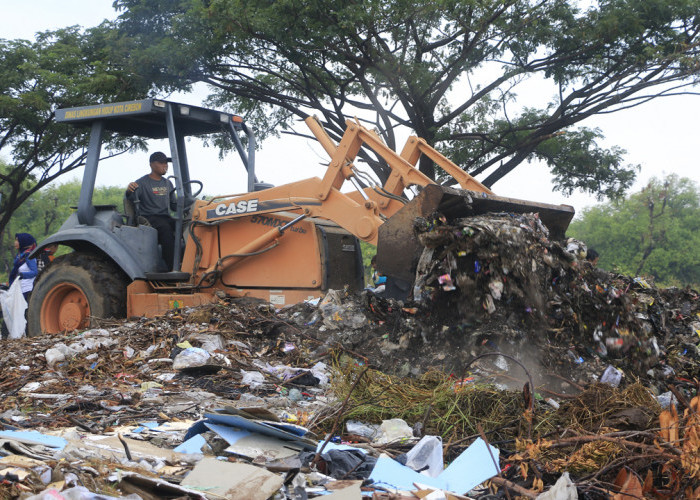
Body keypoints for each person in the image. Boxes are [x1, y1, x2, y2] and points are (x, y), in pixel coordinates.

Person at [126, 152, 178, 270]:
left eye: (166, 163)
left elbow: (174, 205)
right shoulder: (141, 183)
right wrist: (129, 191)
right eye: (161, 163)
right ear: (152, 164)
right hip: (150, 217)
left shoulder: (168, 182)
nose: (165, 165)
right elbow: (131, 196)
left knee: (188, 227)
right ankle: (172, 267)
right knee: (166, 230)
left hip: (166, 216)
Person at [9, 233, 38, 301]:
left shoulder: (28, 255)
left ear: (23, 242)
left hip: (28, 290)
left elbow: (35, 272)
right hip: (21, 290)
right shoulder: (19, 257)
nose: (15, 242)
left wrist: (22, 275)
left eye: (17, 240)